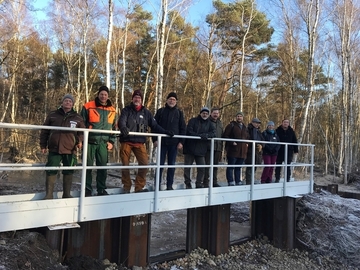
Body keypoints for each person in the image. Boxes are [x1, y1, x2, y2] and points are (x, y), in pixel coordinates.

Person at [118, 90, 174, 193]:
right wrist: (123, 127)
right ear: (132, 99)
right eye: (135, 97)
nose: (137, 99)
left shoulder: (146, 112)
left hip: (139, 142)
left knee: (144, 164)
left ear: (141, 100)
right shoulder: (126, 110)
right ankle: (126, 186)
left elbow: (154, 125)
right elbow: (122, 120)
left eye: (139, 98)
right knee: (125, 165)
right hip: (126, 141)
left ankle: (139, 187)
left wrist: (165, 132)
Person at [40, 94, 85, 199]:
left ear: (73, 104)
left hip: (70, 149)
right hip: (54, 148)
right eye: (66, 101)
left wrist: (79, 141)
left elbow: (82, 132)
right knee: (51, 170)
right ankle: (49, 194)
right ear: (62, 103)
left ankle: (66, 194)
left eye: (70, 101)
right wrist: (43, 145)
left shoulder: (77, 117)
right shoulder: (53, 115)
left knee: (69, 170)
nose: (68, 102)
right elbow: (44, 131)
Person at [81, 86, 117, 196]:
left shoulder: (112, 109)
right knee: (87, 166)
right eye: (101, 94)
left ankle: (101, 189)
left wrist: (112, 141)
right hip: (89, 141)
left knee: (102, 167)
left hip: (104, 143)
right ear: (98, 94)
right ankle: (87, 188)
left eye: (105, 94)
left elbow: (115, 127)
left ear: (108, 96)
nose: (103, 96)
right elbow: (81, 123)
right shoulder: (88, 106)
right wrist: (81, 140)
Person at [153, 92, 187, 190]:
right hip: (162, 143)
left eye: (174, 99)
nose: (172, 101)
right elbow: (154, 126)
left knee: (171, 166)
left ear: (176, 101)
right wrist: (154, 139)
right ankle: (157, 186)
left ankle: (169, 186)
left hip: (174, 144)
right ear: (167, 100)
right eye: (170, 99)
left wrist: (181, 141)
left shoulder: (179, 113)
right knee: (160, 166)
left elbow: (183, 128)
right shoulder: (160, 111)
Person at [183, 107, 216, 189]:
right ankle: (187, 183)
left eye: (206, 113)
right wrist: (200, 136)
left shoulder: (209, 123)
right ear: (200, 113)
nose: (205, 115)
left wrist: (206, 135)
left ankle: (199, 183)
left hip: (201, 149)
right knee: (187, 167)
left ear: (208, 115)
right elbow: (189, 131)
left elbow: (213, 133)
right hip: (190, 148)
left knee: (202, 168)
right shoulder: (193, 121)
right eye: (203, 113)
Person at [222, 112, 249, 186]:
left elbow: (247, 137)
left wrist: (247, 144)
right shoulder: (231, 125)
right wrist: (231, 142)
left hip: (242, 151)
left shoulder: (244, 127)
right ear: (236, 117)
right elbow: (225, 136)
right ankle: (230, 181)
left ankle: (238, 181)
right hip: (233, 150)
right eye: (238, 116)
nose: (239, 117)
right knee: (231, 166)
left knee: (238, 167)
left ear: (243, 118)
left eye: (240, 116)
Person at [204, 107, 223, 187]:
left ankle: (214, 182)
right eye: (214, 113)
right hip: (208, 147)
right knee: (207, 166)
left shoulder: (220, 123)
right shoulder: (206, 122)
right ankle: (205, 182)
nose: (216, 115)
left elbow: (222, 135)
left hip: (218, 148)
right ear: (211, 113)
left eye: (217, 113)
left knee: (215, 166)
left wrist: (221, 148)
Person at [245, 118, 264, 185]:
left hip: (257, 152)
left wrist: (261, 145)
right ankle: (249, 182)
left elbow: (263, 140)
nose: (257, 124)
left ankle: (251, 181)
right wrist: (254, 144)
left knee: (254, 167)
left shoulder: (259, 131)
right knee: (250, 167)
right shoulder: (248, 129)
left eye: (258, 123)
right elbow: (247, 139)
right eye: (256, 123)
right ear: (252, 122)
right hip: (250, 151)